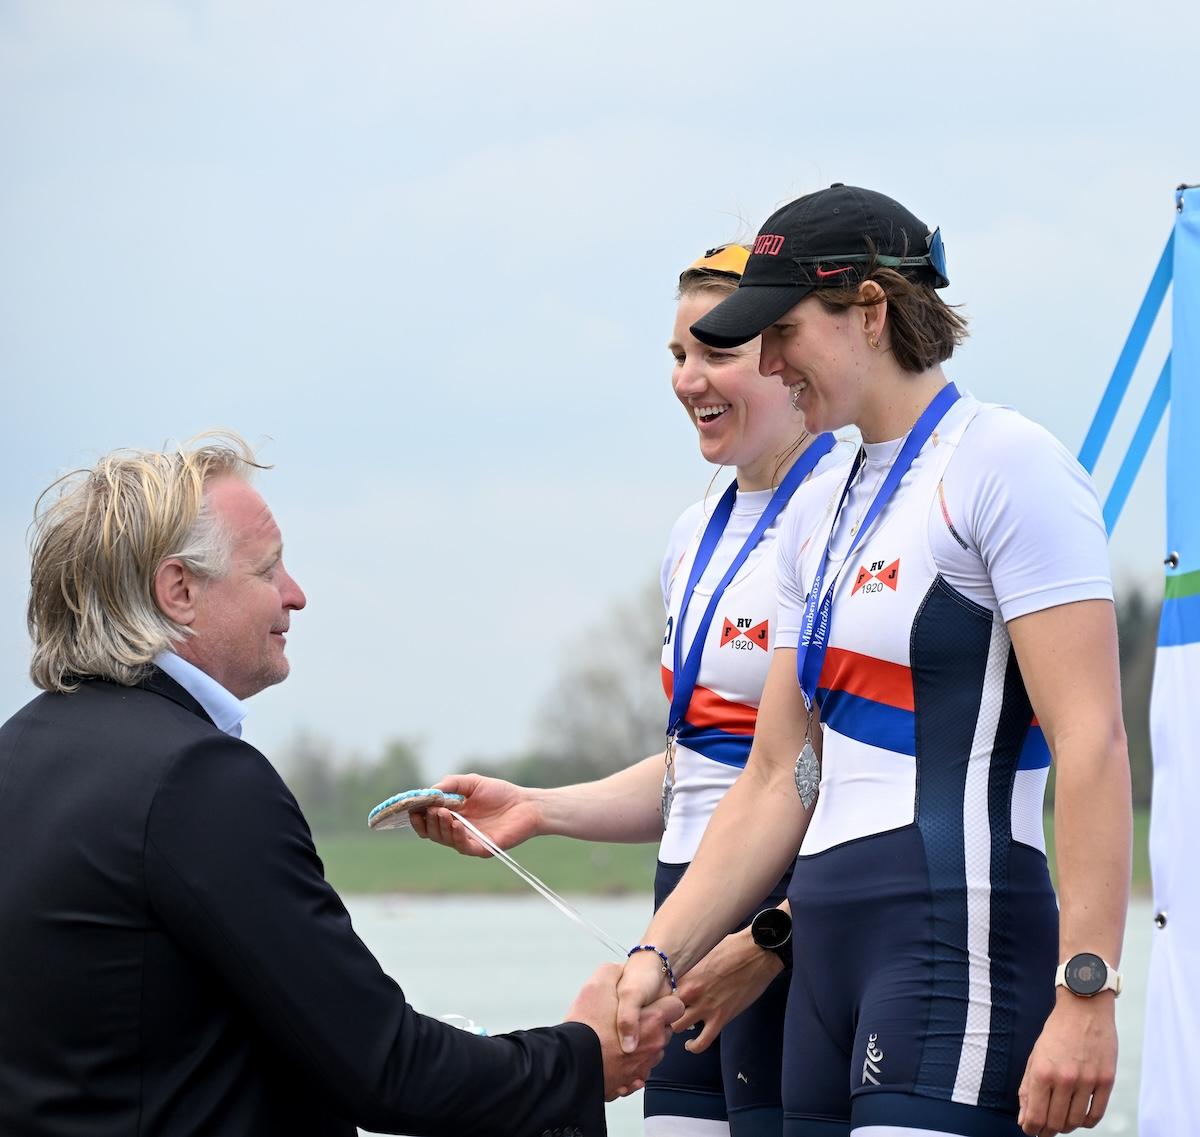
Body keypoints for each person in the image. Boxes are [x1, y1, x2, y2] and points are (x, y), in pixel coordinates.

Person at [614, 185, 1132, 1137]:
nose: (770, 363)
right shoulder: (816, 508)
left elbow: (1091, 740)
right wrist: (659, 952)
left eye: (783, 333)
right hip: (827, 968)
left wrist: (1088, 988)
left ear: (870, 310)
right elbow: (776, 776)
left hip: (955, 947)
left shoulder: (1006, 463)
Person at [0, 433, 680, 1137]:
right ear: (179, 591)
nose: (296, 595)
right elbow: (384, 1067)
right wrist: (579, 1058)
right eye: (268, 568)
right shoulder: (198, 779)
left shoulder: (14, 754)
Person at [413, 245, 851, 1136]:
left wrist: (778, 932)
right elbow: (701, 767)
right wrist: (537, 808)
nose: (689, 379)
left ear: (785, 356)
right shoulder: (694, 532)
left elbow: (853, 775)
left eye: (715, 352)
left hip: (782, 930)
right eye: (678, 355)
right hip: (680, 922)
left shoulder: (849, 513)